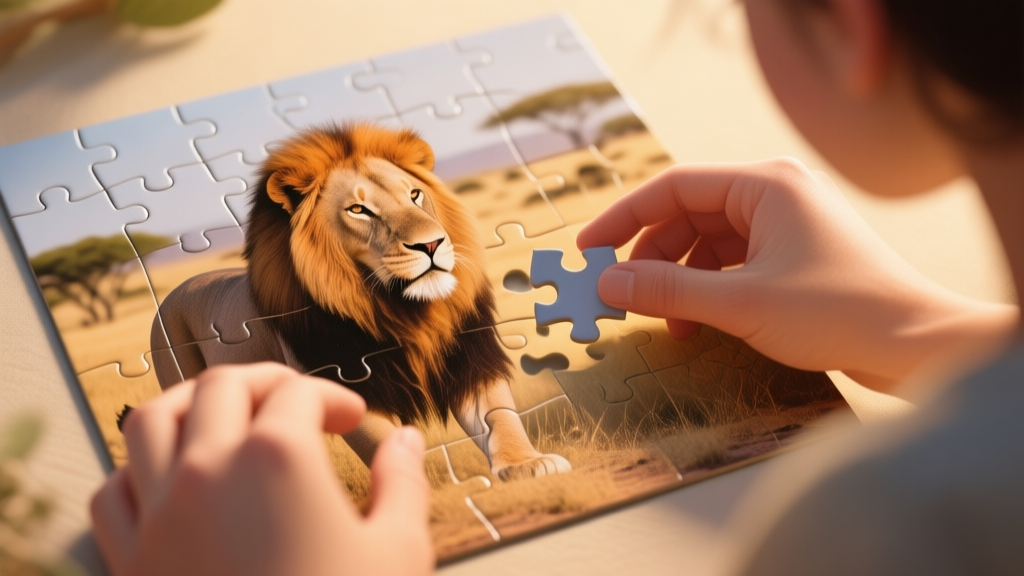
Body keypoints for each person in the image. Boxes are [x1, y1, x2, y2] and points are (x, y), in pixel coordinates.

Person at [90, 0, 1024, 574]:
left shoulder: (887, 525)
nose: (415, 230)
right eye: (366, 216)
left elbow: (475, 373)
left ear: (851, 20)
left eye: (414, 201)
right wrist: (923, 333)